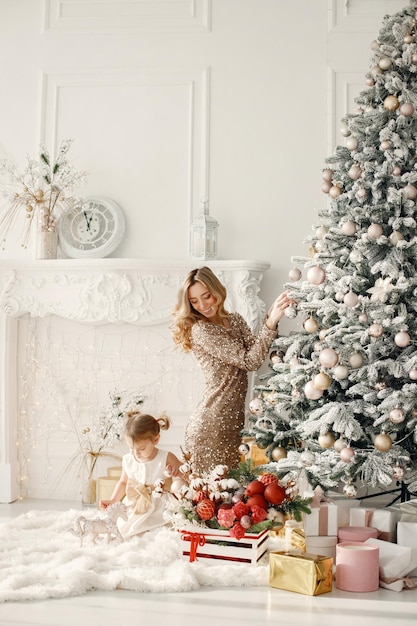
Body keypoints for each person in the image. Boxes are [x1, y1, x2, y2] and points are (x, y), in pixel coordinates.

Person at [170, 266, 292, 473]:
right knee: (210, 499)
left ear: (216, 290)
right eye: (194, 301)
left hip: (232, 424)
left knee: (230, 499)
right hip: (211, 425)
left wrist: (271, 315)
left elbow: (257, 353)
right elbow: (249, 361)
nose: (202, 305)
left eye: (206, 296)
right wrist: (271, 322)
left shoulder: (234, 320)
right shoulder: (201, 330)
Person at [99, 410, 183, 539]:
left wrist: (178, 473)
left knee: (161, 528)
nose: (136, 453)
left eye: (141, 448)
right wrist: (113, 500)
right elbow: (123, 482)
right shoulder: (128, 460)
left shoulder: (166, 457)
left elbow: (185, 474)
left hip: (159, 504)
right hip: (136, 503)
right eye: (131, 448)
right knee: (126, 526)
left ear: (155, 439)